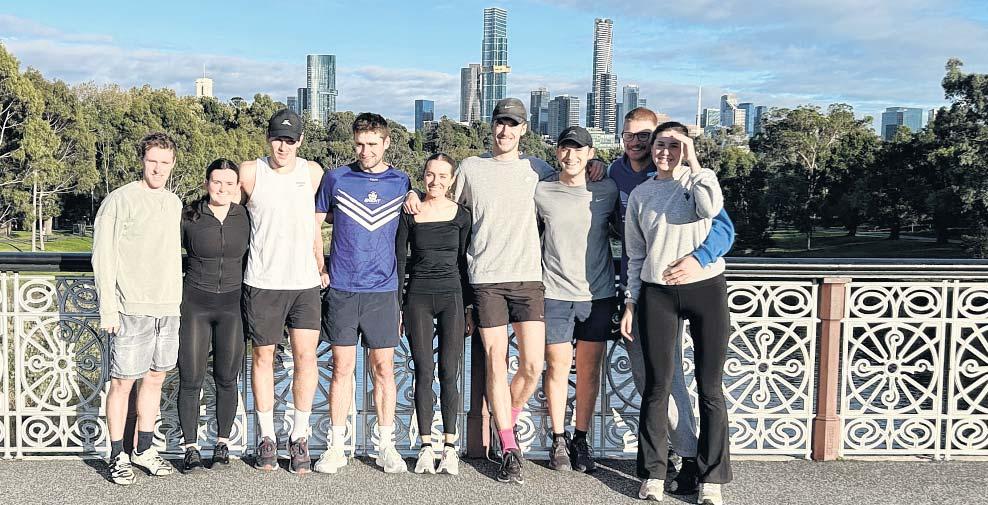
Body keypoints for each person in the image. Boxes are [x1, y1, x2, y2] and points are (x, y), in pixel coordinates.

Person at [407, 97, 555, 485]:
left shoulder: (538, 170)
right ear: (492, 126)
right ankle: (509, 447)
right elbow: (443, 201)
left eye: (513, 124)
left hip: (527, 277)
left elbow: (571, 185)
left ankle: (506, 419)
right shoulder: (471, 168)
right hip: (486, 279)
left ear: (524, 129)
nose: (505, 130)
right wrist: (412, 195)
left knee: (532, 365)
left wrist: (597, 168)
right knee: (494, 361)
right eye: (500, 122)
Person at [608, 107, 735, 494]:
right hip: (655, 293)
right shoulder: (631, 186)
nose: (657, 149)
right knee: (656, 386)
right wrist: (631, 301)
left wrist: (699, 258)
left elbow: (716, 216)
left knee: (710, 388)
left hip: (704, 287)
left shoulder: (699, 181)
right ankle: (656, 472)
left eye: (670, 143)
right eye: (632, 136)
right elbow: (635, 254)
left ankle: (710, 477)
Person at [313, 113, 411, 475]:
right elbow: (314, 224)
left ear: (386, 143)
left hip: (382, 291)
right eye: (359, 144)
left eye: (372, 144)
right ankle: (336, 447)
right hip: (342, 288)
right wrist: (319, 266)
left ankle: (386, 446)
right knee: (341, 368)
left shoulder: (401, 181)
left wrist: (415, 194)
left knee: (384, 368)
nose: (365, 150)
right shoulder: (336, 178)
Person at [93, 132, 183, 485]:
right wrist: (108, 308)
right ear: (142, 162)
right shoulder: (120, 200)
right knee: (122, 383)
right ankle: (117, 455)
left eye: (165, 162)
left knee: (156, 378)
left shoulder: (174, 203)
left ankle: (144, 449)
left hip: (168, 307)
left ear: (172, 164)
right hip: (131, 308)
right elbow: (103, 256)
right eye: (152, 161)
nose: (158, 168)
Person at [239, 109, 324, 473]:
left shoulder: (313, 172)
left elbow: (316, 222)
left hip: (304, 283)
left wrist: (321, 262)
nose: (283, 147)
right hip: (263, 282)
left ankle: (300, 436)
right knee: (263, 358)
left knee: (306, 358)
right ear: (268, 139)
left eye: (290, 140)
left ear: (300, 141)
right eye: (277, 139)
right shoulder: (250, 172)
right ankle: (267, 436)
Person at [535, 126, 618, 473]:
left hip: (597, 294)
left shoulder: (607, 189)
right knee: (555, 367)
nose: (571, 156)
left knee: (588, 370)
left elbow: (628, 229)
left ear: (590, 154)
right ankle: (558, 439)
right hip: (554, 293)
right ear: (557, 152)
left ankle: (581, 438)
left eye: (579, 150)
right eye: (565, 149)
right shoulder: (542, 190)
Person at [395, 153, 472, 475]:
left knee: (449, 372)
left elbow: (465, 262)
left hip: (452, 297)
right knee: (424, 371)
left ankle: (450, 447)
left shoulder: (461, 215)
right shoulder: (410, 212)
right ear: (423, 175)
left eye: (442, 176)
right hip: (418, 297)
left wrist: (469, 307)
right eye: (430, 174)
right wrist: (398, 307)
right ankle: (426, 446)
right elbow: (400, 260)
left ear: (452, 180)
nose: (435, 181)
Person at [177, 159, 250, 472]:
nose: (222, 188)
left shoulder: (245, 216)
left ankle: (222, 444)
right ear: (206, 183)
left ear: (237, 186)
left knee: (226, 378)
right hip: (195, 304)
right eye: (216, 182)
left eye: (229, 183)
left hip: (232, 307)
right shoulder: (189, 215)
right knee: (191, 379)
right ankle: (191, 448)